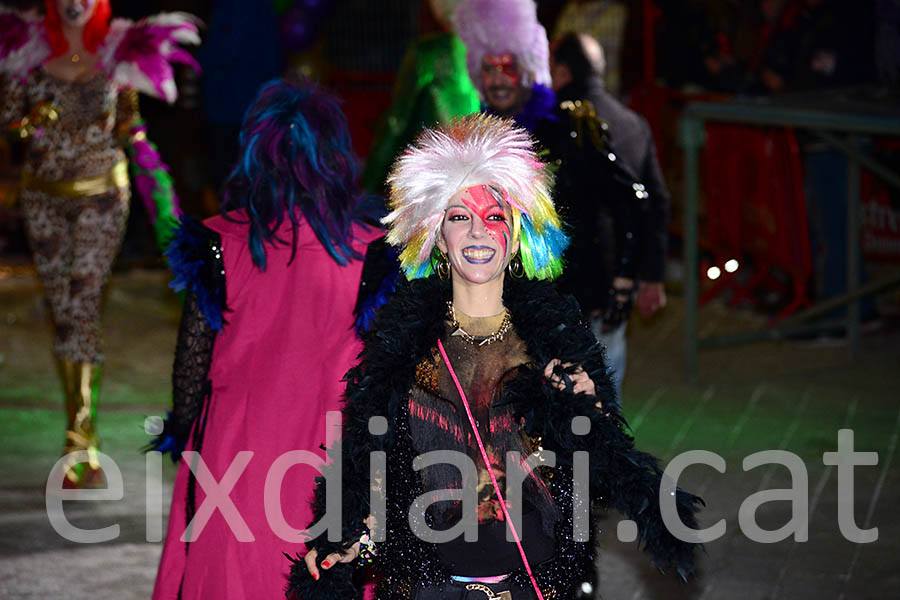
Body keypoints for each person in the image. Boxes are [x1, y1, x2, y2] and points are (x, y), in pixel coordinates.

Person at [286, 114, 700, 599]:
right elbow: (371, 474)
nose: (478, 233)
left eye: (495, 216)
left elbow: (595, 475)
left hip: (533, 586)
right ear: (438, 236)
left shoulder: (554, 337)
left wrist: (588, 412)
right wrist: (348, 543)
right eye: (460, 217)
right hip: (429, 589)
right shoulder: (402, 344)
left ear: (519, 232)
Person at [148, 78, 387, 599]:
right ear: (335, 155)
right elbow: (383, 374)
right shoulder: (372, 251)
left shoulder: (218, 242)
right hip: (327, 464)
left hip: (234, 462)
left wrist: (185, 431)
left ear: (254, 153)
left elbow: (189, 374)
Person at [0, 0, 199, 488]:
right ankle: (79, 429)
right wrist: (28, 124)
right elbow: (8, 122)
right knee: (63, 311)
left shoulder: (119, 51)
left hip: (103, 198)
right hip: (42, 200)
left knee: (84, 308)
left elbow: (130, 124)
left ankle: (78, 439)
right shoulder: (24, 49)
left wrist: (156, 180)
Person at [453, 0, 645, 399]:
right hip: (512, 306)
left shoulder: (572, 125)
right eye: (489, 68)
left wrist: (625, 278)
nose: (499, 79)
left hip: (576, 301)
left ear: (529, 68)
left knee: (589, 415)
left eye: (509, 67)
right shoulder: (478, 139)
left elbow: (632, 199)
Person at [550, 31, 671, 392]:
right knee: (608, 371)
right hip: (621, 271)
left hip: (572, 274)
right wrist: (651, 275)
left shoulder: (560, 123)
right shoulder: (631, 122)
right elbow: (657, 201)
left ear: (563, 71)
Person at [360, 0, 480, 195]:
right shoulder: (508, 55)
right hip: (488, 181)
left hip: (437, 183)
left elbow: (396, 122)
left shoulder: (430, 52)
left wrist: (367, 188)